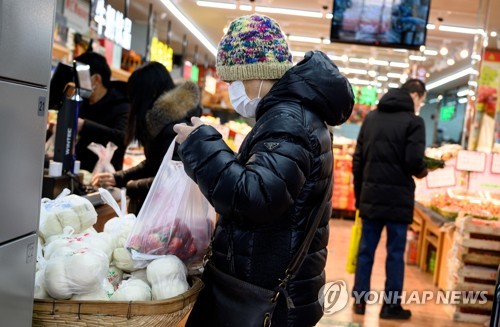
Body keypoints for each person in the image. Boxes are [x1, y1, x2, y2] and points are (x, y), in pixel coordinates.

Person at [173, 14, 353, 327]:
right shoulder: (293, 115)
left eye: (234, 81)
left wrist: (202, 145)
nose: (232, 90)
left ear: (257, 74)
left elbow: (255, 198)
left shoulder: (288, 121)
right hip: (271, 285)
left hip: (264, 295)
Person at [352, 79, 428, 320]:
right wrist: (424, 170)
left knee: (366, 252)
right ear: (415, 95)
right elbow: (413, 161)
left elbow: (357, 161)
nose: (421, 105)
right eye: (422, 100)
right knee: (395, 254)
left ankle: (360, 302)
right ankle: (390, 306)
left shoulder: (371, 118)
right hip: (398, 199)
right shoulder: (414, 123)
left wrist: (359, 195)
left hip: (371, 197)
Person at [92, 62, 202, 214]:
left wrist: (132, 186)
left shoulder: (175, 128)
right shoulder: (162, 122)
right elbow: (155, 164)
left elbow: (172, 181)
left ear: (145, 95)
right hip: (164, 210)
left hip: (169, 215)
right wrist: (119, 178)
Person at [73, 52, 130, 172]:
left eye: (81, 78)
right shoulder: (82, 102)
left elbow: (121, 137)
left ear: (96, 79)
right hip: (78, 172)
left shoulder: (122, 104)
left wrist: (84, 125)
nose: (77, 83)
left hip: (105, 178)